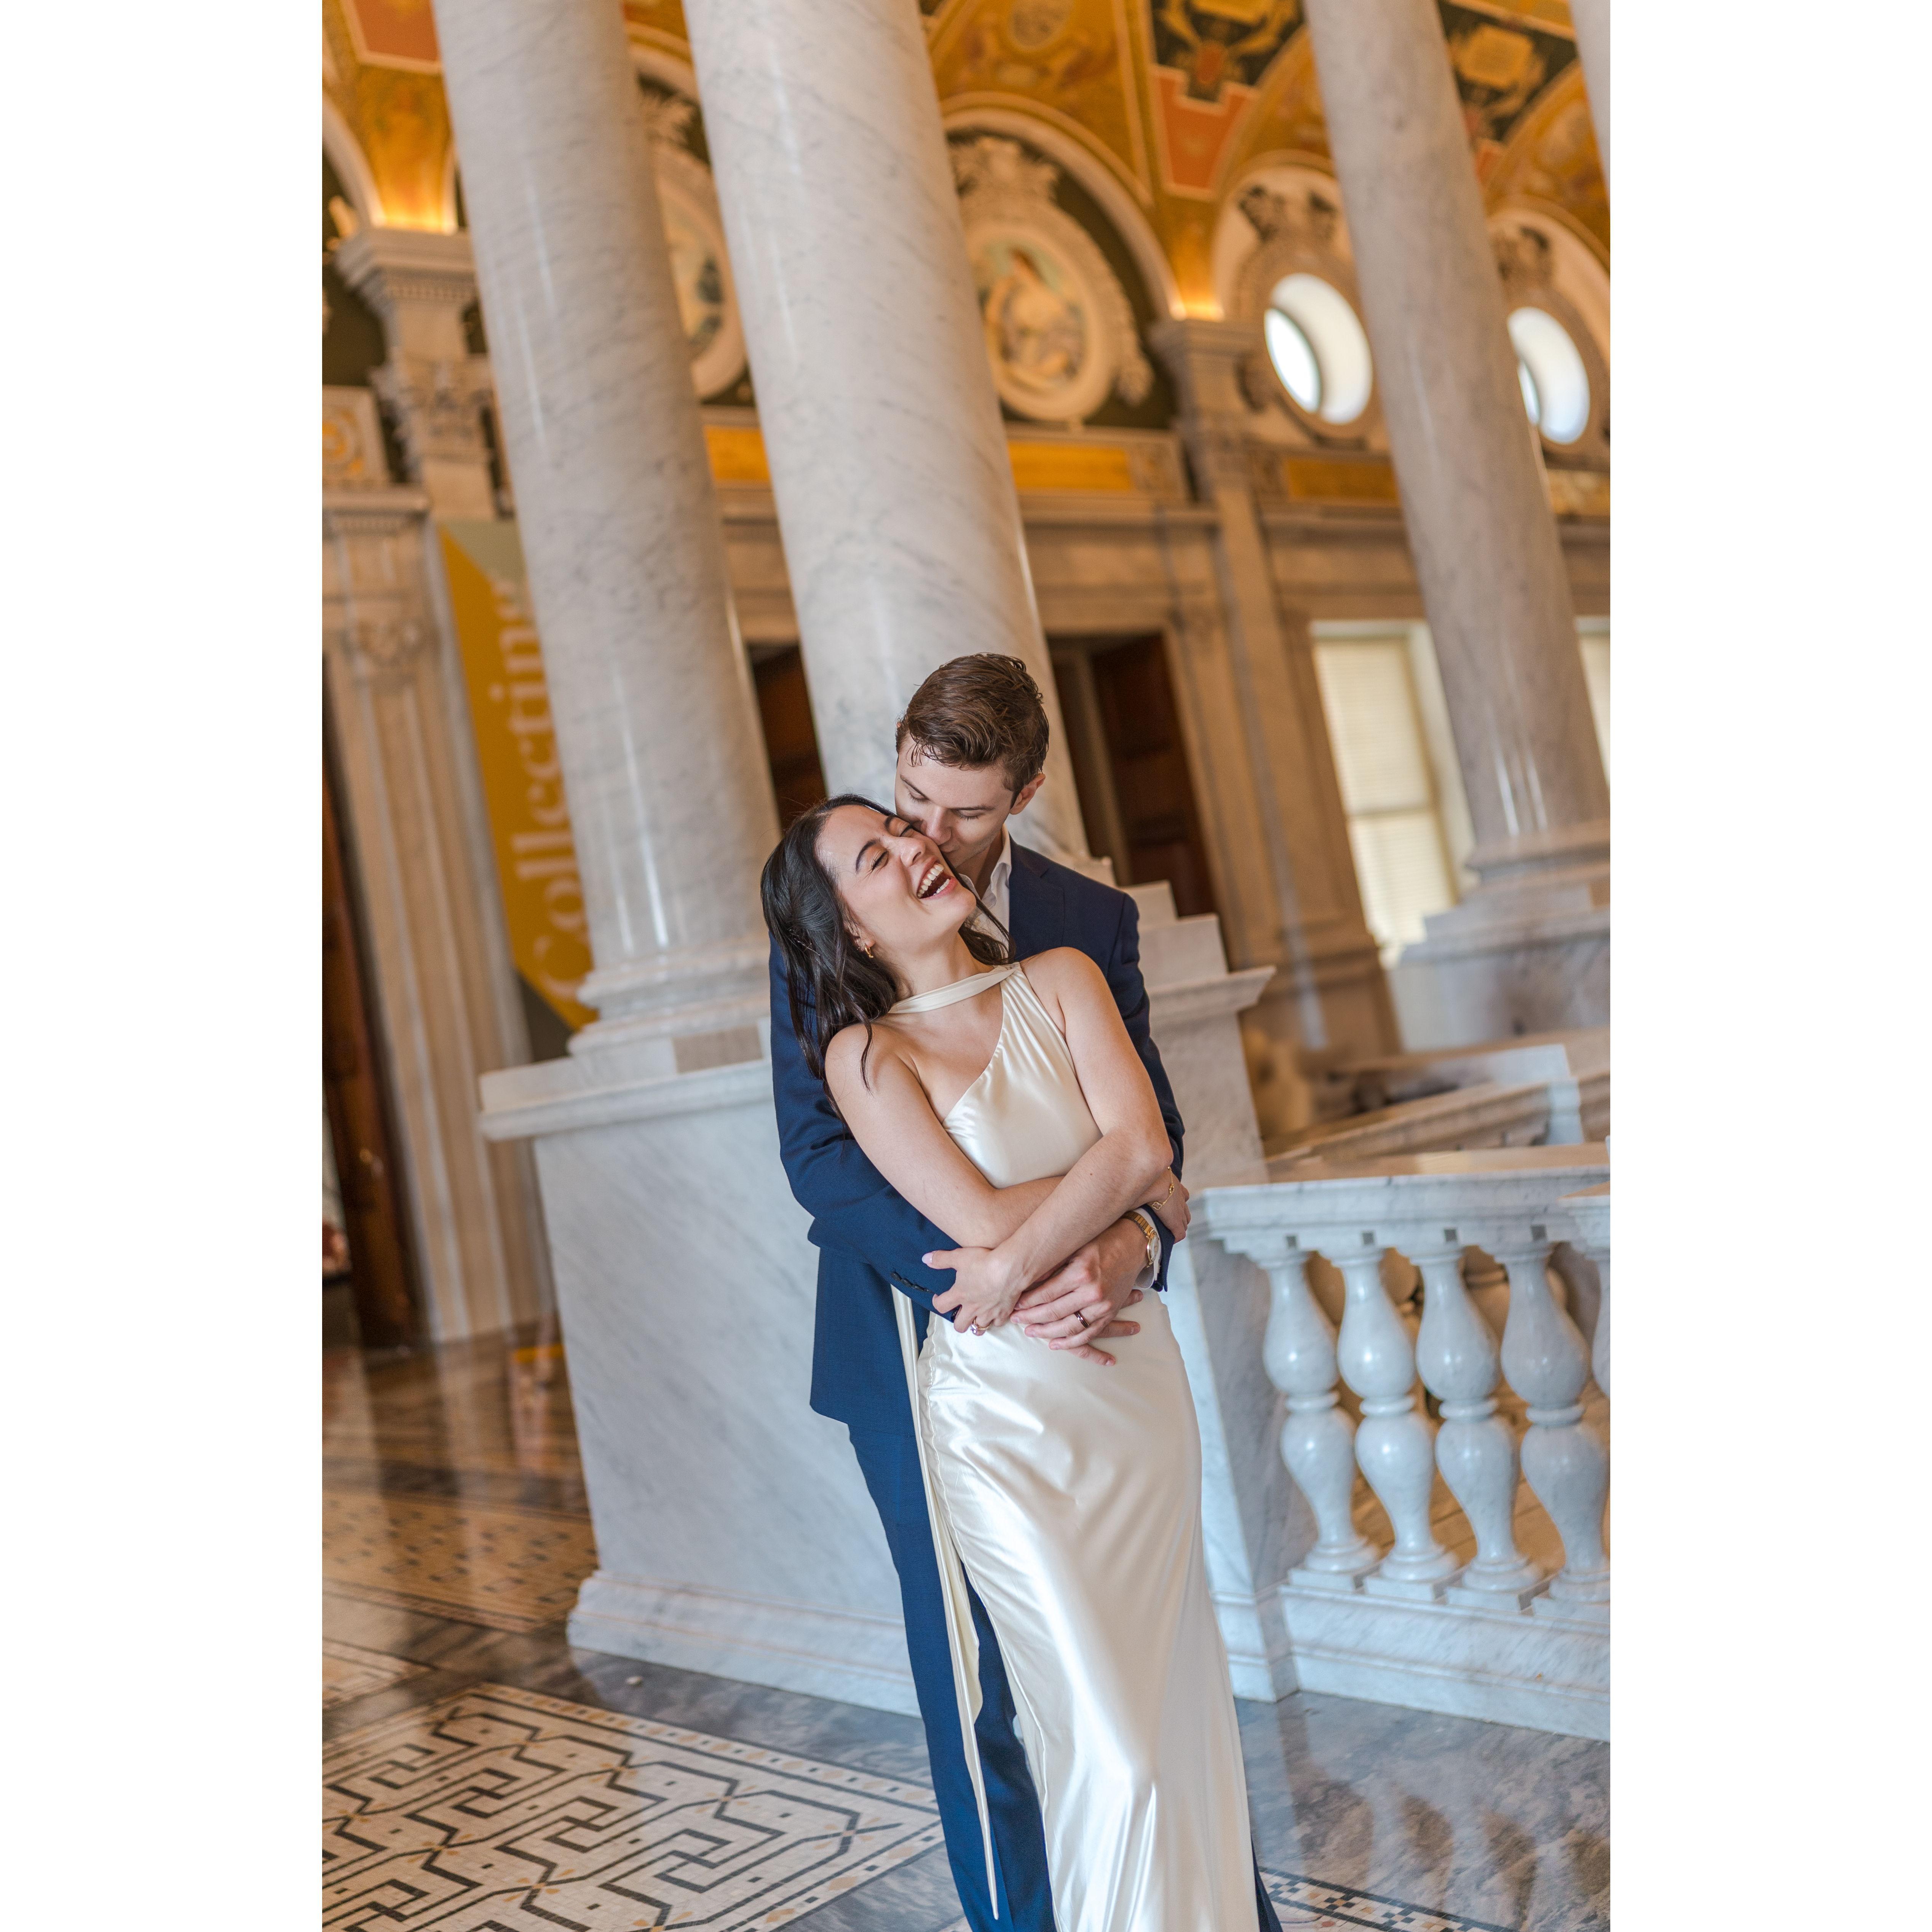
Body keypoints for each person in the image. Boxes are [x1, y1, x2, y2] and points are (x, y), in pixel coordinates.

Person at [764, 656, 1281, 1932]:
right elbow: (820, 1161)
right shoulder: (837, 913)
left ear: (1025, 794)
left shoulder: (1080, 927)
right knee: (981, 1684)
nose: (927, 835)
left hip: (1104, 1342)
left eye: (962, 812)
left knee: (1153, 1680)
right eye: (909, 802)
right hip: (925, 1346)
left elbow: (1153, 1140)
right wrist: (997, 1271)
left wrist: (1124, 1243)